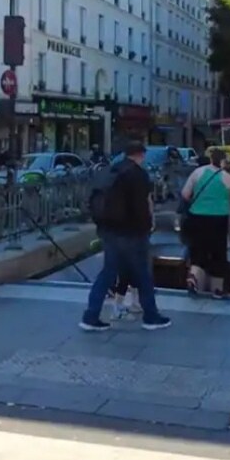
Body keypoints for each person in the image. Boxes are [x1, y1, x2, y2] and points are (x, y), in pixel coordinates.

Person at [81, 141, 171, 332]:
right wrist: (146, 227)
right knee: (143, 274)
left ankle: (90, 315)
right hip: (131, 233)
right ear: (141, 155)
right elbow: (141, 207)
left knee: (107, 273)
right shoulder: (138, 174)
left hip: (108, 230)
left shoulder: (111, 171)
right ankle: (151, 316)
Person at [180, 147, 230, 297]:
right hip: (218, 220)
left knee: (197, 253)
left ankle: (193, 277)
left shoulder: (198, 173)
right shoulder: (226, 177)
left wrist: (198, 203)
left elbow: (184, 194)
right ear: (223, 161)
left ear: (210, 159)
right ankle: (217, 290)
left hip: (196, 217)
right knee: (218, 255)